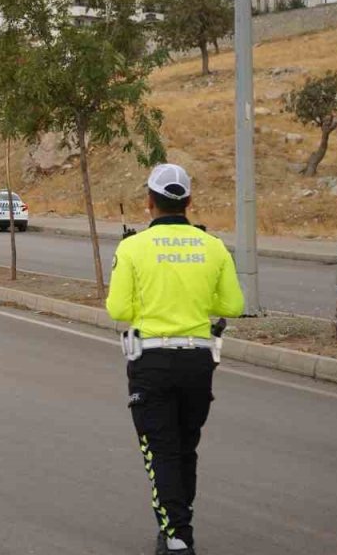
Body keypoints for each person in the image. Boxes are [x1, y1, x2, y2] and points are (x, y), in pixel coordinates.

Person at [105, 164, 245, 555]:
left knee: (161, 451)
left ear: (149, 203)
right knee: (186, 447)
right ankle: (179, 524)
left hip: (151, 360)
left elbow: (119, 308)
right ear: (188, 202)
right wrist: (198, 302)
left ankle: (177, 536)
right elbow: (233, 304)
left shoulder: (132, 248)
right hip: (199, 360)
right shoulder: (213, 246)